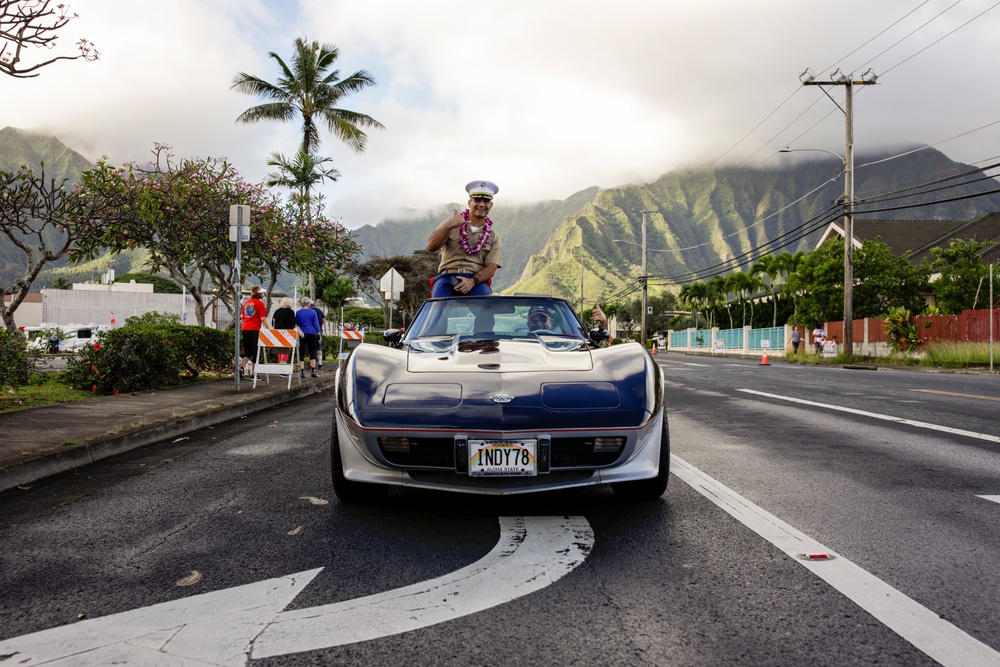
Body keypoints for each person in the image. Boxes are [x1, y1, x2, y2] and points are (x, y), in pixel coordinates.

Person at [427, 180, 502, 297]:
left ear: (490, 205)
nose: (482, 205)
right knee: (437, 309)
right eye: (477, 200)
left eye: (486, 201)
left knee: (487, 311)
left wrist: (472, 281)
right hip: (446, 277)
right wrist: (450, 226)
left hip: (475, 280)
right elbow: (431, 246)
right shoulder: (450, 223)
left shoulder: (493, 237)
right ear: (469, 203)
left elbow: (491, 267)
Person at [240, 286, 267, 377]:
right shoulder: (260, 304)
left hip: (245, 328)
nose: (263, 294)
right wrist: (269, 329)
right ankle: (253, 373)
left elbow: (242, 316)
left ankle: (241, 367)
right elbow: (263, 318)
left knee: (247, 351)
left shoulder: (247, 303)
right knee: (256, 351)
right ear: (259, 294)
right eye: (262, 293)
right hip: (255, 329)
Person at [295, 297, 322, 378]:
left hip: (301, 333)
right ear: (309, 303)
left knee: (301, 351)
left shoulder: (298, 312)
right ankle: (313, 370)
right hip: (311, 332)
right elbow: (316, 324)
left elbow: (297, 324)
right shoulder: (313, 312)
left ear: (301, 304)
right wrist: (319, 334)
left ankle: (302, 371)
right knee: (312, 351)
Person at [271, 297, 296, 364]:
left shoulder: (277, 311)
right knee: (285, 349)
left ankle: (280, 362)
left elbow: (273, 322)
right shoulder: (291, 312)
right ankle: (283, 363)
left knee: (279, 349)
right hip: (287, 333)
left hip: (277, 332)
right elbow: (293, 322)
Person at [311, 301, 326, 371]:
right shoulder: (319, 311)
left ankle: (311, 363)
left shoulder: (310, 311)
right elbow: (323, 320)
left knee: (311, 347)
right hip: (319, 331)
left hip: (311, 331)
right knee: (319, 347)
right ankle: (320, 364)